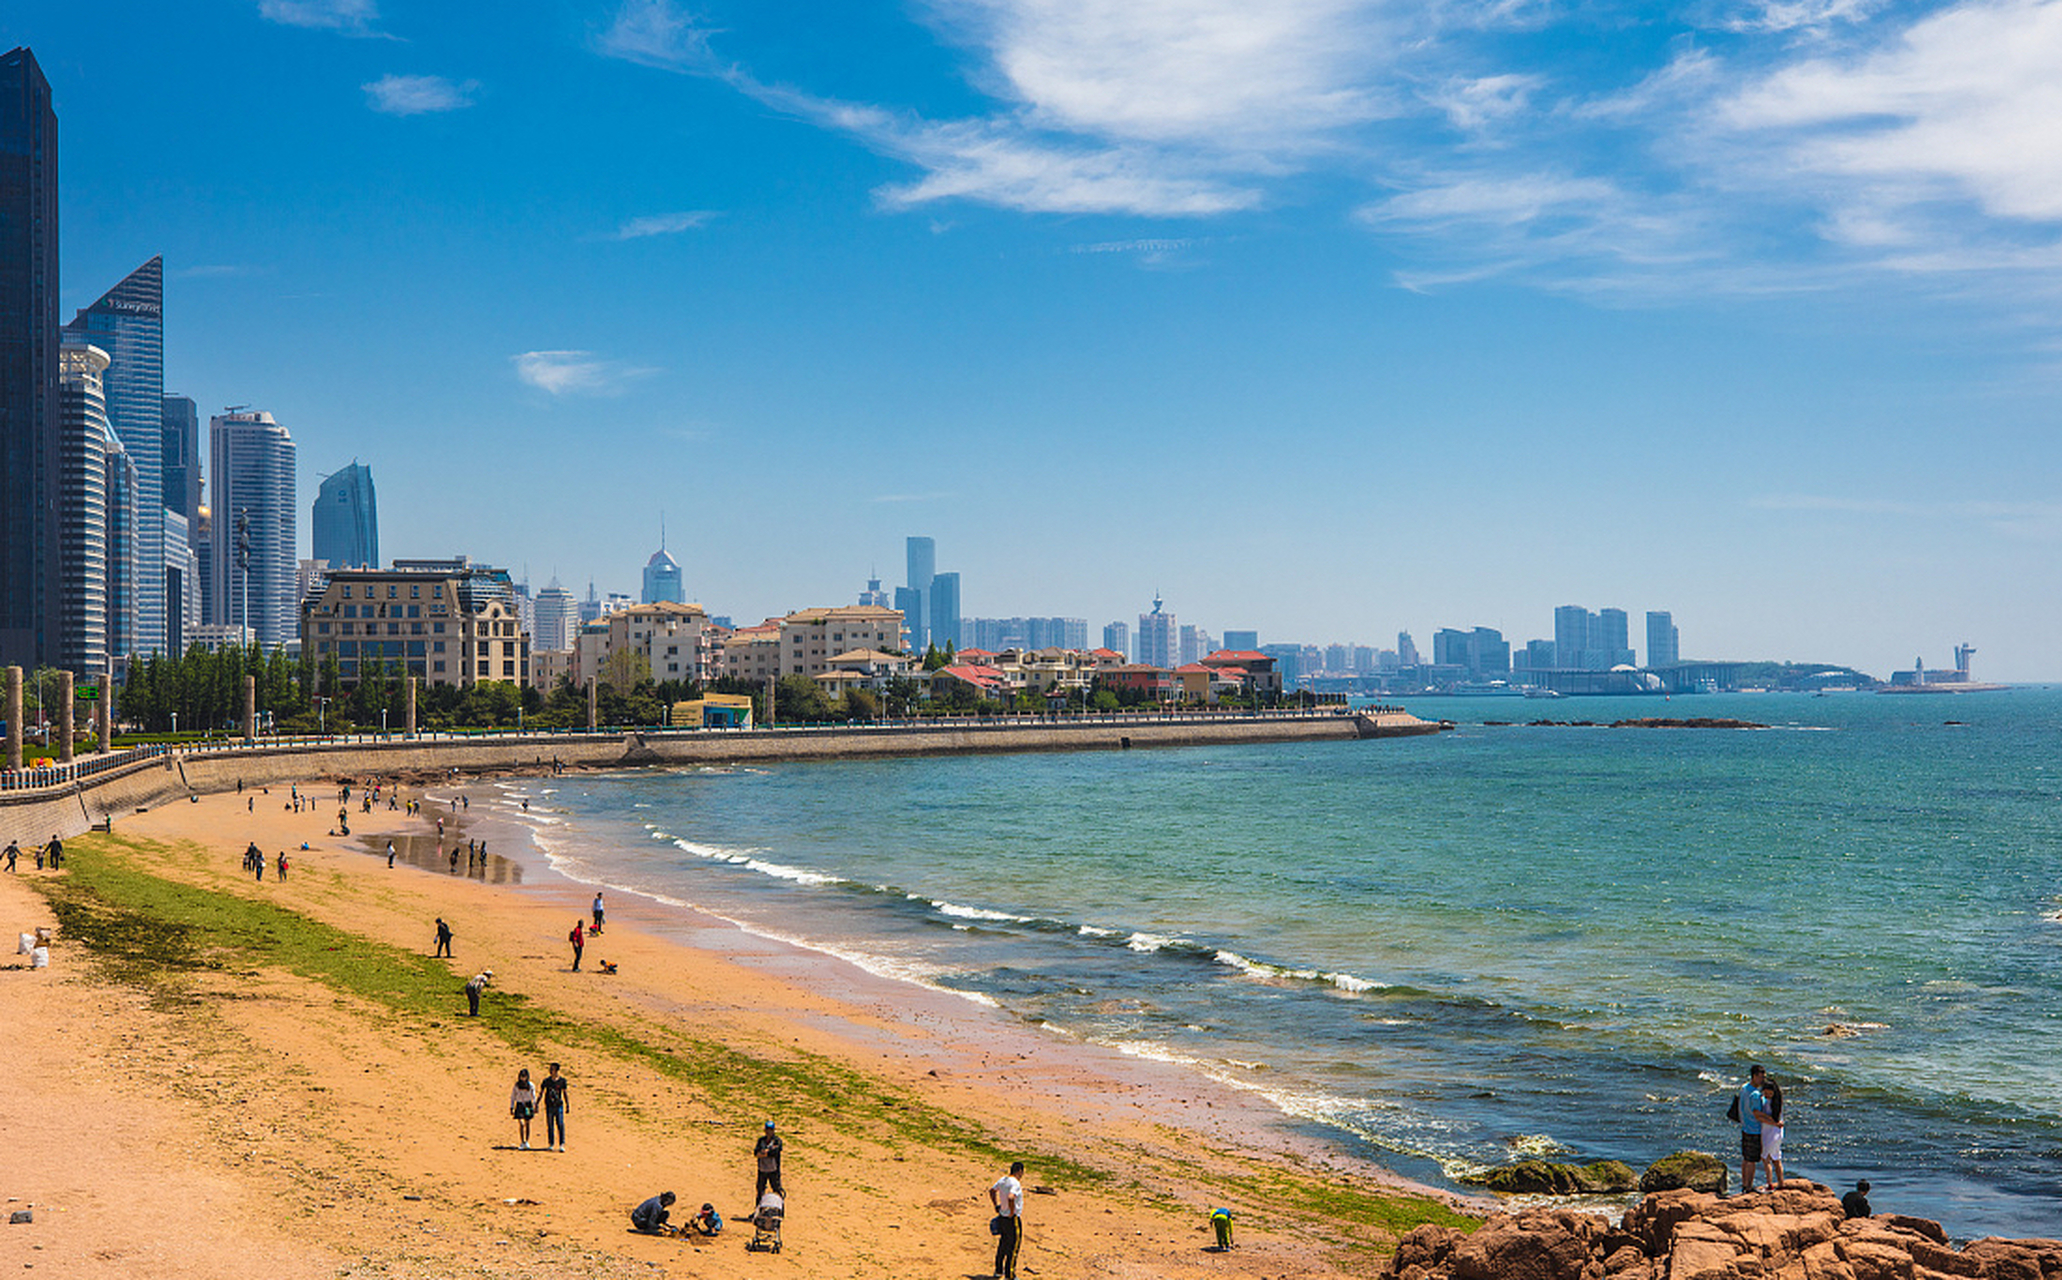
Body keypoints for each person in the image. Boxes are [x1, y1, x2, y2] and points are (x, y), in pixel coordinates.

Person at [990, 1160, 1025, 1280]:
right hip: (1012, 1219)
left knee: (1003, 1244)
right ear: (1019, 1171)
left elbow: (992, 1191)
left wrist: (996, 1205)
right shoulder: (1015, 1183)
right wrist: (1011, 1211)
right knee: (1013, 1246)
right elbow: (1011, 1197)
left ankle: (998, 1270)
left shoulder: (1003, 1180)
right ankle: (1009, 1275)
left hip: (1002, 1216)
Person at [1736, 1065, 1768, 1193]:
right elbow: (1757, 1114)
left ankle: (1744, 1184)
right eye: (1761, 1077)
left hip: (1745, 1126)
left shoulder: (1744, 1088)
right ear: (1754, 1076)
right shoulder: (1755, 1094)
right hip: (1754, 1129)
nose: (1762, 1080)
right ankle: (1749, 1187)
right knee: (1752, 1161)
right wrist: (1773, 1122)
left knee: (1746, 1158)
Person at [1758, 1077, 1786, 1187]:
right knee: (1776, 1158)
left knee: (1766, 1158)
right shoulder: (1777, 1102)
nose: (1767, 1095)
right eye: (1766, 1093)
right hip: (1777, 1133)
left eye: (1769, 1093)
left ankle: (1769, 1183)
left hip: (1769, 1132)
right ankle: (1781, 1183)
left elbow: (1766, 1118)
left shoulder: (1766, 1102)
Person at [540, 1062, 569, 1152]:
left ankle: (561, 1143)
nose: (550, 1071)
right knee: (550, 1125)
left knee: (560, 1124)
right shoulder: (546, 1081)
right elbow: (541, 1092)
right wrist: (537, 1103)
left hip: (558, 1105)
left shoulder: (562, 1081)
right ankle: (551, 1143)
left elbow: (564, 1093)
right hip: (549, 1105)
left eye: (552, 1069)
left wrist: (567, 1104)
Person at [755, 1120, 784, 1201]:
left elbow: (775, 1152)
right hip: (762, 1169)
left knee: (776, 1189)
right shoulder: (761, 1141)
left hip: (773, 1170)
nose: (769, 1132)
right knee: (760, 1191)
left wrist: (766, 1153)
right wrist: (764, 1153)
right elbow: (756, 1152)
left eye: (770, 1130)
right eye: (767, 1129)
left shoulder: (777, 1141)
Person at [510, 1068, 538, 1149]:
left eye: (524, 1076)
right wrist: (512, 1107)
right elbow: (513, 1096)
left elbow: (533, 1096)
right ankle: (522, 1141)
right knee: (521, 1124)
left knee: (528, 1123)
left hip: (528, 1104)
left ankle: (527, 1141)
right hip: (519, 1104)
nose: (523, 1078)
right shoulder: (516, 1085)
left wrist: (535, 1105)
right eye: (522, 1076)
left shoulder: (531, 1085)